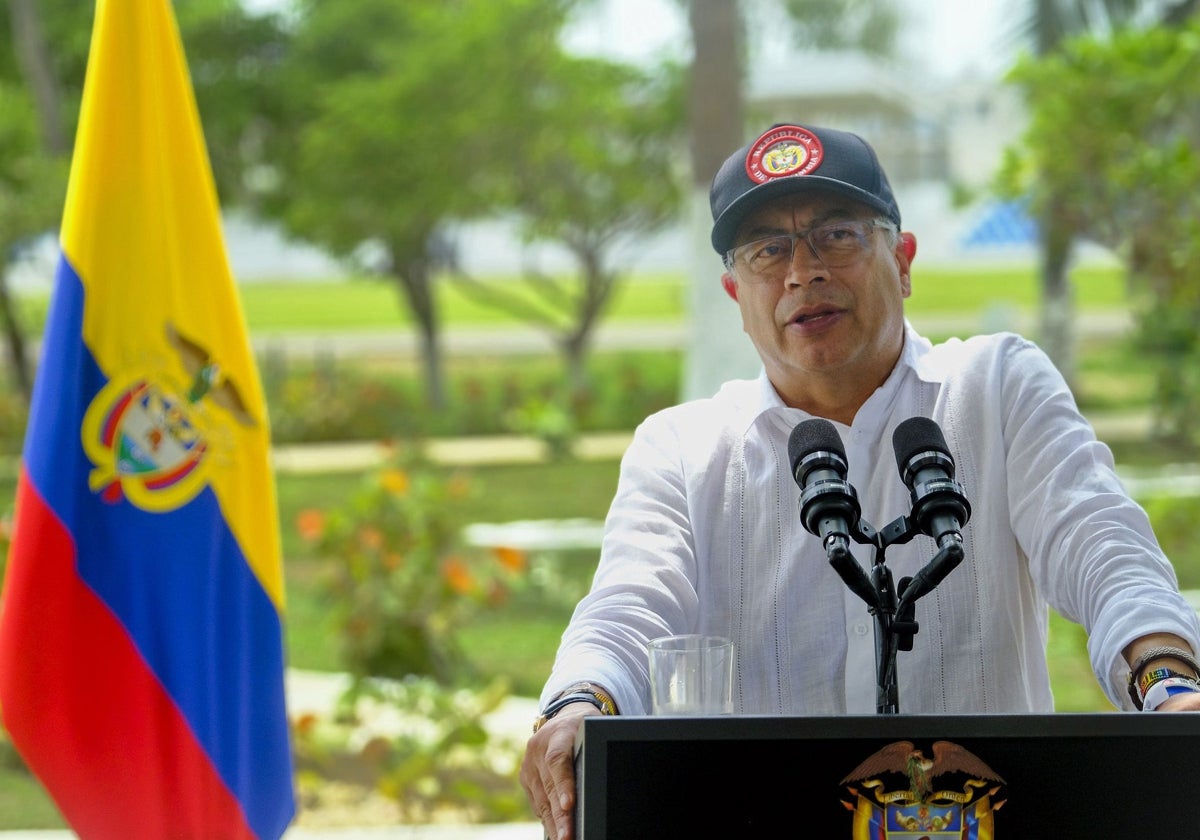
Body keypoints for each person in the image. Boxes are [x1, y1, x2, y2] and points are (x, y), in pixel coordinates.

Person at [519, 121, 1200, 840]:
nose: (802, 272)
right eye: (766, 251)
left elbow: (1102, 548)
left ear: (902, 261)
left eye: (836, 235)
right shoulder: (681, 449)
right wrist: (576, 709)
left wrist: (1173, 688)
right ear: (734, 293)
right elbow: (628, 609)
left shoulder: (997, 388)